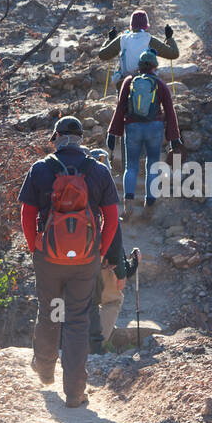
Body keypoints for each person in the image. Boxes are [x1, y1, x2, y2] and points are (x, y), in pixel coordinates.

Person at [18, 115, 120, 406]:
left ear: (57, 138)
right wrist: (99, 250)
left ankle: (46, 370)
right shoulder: (98, 170)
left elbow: (27, 214)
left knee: (50, 311)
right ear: (80, 140)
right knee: (77, 320)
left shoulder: (41, 168)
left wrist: (34, 245)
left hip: (47, 256)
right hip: (85, 259)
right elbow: (111, 217)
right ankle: (75, 392)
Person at [107, 50, 182, 217]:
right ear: (154, 66)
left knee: (131, 167)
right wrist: (174, 138)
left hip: (132, 128)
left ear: (139, 66)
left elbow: (120, 109)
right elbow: (170, 111)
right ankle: (149, 204)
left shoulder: (129, 81)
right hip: (154, 127)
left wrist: (113, 133)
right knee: (152, 165)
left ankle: (128, 205)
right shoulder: (160, 84)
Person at [85, 148, 140, 352]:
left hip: (73, 263)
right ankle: (95, 347)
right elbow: (114, 242)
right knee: (111, 302)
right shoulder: (105, 197)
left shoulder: (75, 194)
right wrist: (123, 271)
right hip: (103, 264)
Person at [97, 9, 179, 83]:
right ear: (146, 25)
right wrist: (169, 38)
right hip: (147, 82)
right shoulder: (149, 40)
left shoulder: (122, 39)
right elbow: (174, 54)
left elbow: (102, 55)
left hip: (126, 81)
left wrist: (110, 40)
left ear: (131, 25)